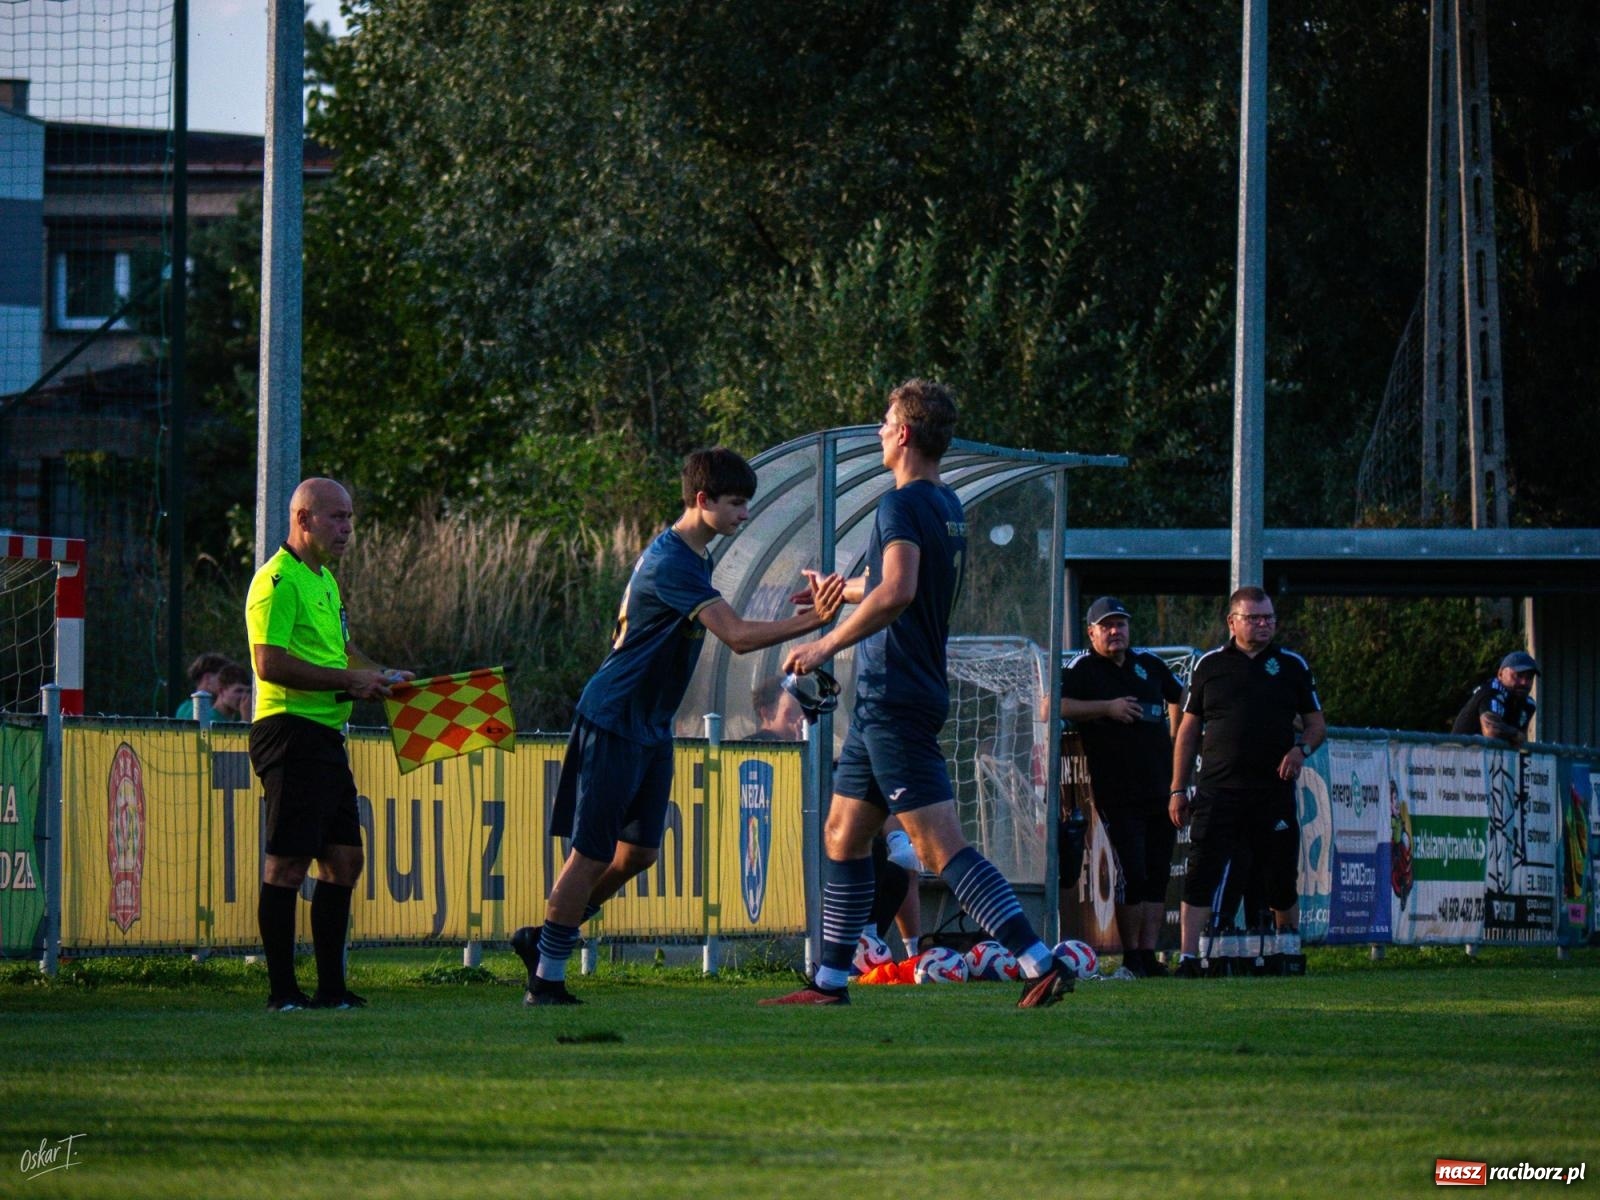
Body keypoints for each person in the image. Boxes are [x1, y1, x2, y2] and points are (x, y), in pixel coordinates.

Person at [762, 378, 1074, 1007]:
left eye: (885, 422)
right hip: (890, 699)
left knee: (938, 845)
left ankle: (1039, 960)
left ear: (903, 434)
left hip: (896, 699)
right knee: (843, 834)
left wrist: (824, 645)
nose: (879, 431)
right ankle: (829, 983)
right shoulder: (944, 502)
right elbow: (894, 583)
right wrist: (839, 589)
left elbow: (899, 591)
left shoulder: (899, 506)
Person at [514, 448, 845, 1006]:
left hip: (649, 724)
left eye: (747, 503)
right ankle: (545, 979)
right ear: (702, 500)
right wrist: (816, 620)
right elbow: (737, 636)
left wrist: (808, 615)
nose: (745, 514)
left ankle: (547, 937)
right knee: (591, 853)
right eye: (736, 503)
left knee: (638, 854)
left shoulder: (696, 557)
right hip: (614, 717)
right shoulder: (672, 561)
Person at [245, 477, 414, 1012]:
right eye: (337, 517)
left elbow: (343, 653)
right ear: (303, 519)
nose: (347, 528)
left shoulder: (325, 581)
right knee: (288, 865)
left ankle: (331, 991)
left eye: (349, 518)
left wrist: (380, 674)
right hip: (289, 730)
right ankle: (282, 993)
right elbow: (268, 664)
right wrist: (349, 681)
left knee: (344, 860)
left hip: (325, 735)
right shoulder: (277, 581)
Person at [1167, 587, 1324, 978]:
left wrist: (1300, 750)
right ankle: (1189, 957)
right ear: (1232, 622)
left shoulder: (1291, 665)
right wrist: (1177, 788)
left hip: (1272, 791)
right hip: (1218, 790)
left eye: (1269, 617)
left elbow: (1316, 725)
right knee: (1201, 871)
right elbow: (1188, 731)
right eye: (1254, 618)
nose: (1263, 624)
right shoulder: (1209, 665)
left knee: (1280, 874)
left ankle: (1286, 950)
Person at [1058, 596, 1183, 978]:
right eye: (1107, 626)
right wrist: (1106, 708)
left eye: (1121, 624)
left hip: (1160, 786)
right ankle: (1131, 955)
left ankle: (1148, 954)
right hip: (1117, 790)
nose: (1116, 632)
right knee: (1133, 872)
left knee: (1158, 874)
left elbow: (1183, 698)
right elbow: (1051, 707)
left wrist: (1177, 737)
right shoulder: (1082, 667)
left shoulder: (1149, 663)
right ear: (1091, 632)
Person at [1450, 651, 1538, 747]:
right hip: (1461, 753)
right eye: (1518, 675)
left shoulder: (1528, 704)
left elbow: (1520, 741)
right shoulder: (1491, 692)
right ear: (1500, 674)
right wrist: (1515, 734)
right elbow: (1491, 731)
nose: (1524, 682)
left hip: (1490, 755)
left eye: (1529, 678)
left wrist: (1517, 737)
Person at [747, 675, 806, 742]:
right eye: (789, 713)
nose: (801, 717)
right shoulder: (750, 745)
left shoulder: (809, 738)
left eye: (803, 710)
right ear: (766, 713)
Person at [174, 651, 230, 719]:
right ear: (208, 678)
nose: (228, 683)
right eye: (224, 677)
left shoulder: (184, 708)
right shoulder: (209, 715)